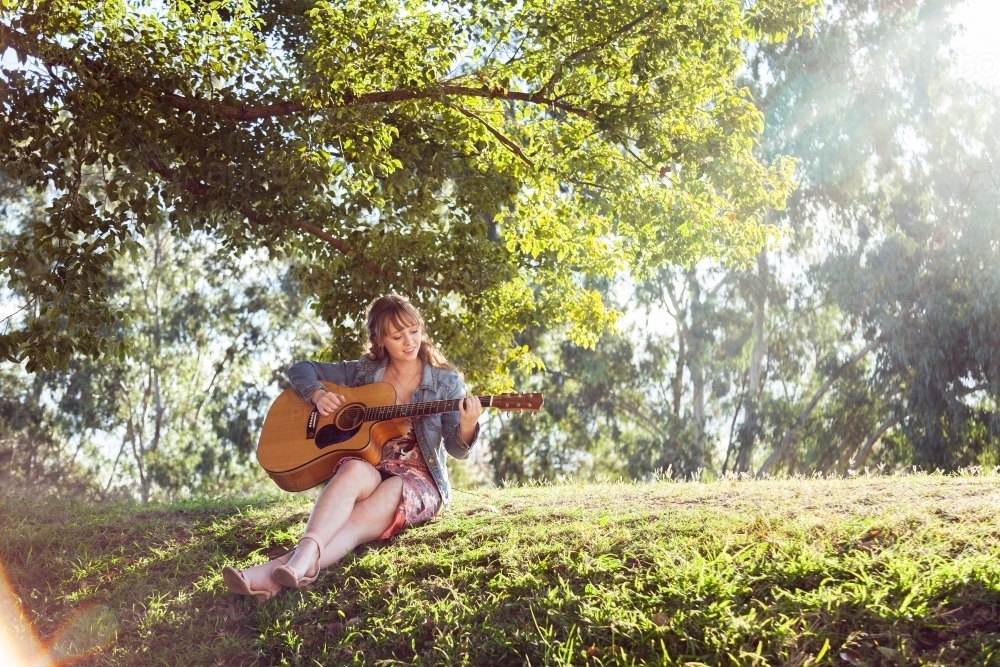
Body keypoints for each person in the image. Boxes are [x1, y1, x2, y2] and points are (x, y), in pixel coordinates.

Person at [222, 294, 482, 601]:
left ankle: (277, 573)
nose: (409, 341)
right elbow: (301, 369)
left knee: (361, 516)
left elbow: (457, 449)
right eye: (397, 336)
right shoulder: (363, 372)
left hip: (419, 479)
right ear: (380, 339)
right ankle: (297, 563)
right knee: (351, 470)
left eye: (414, 331)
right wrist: (317, 395)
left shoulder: (446, 382)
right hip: (373, 467)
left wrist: (468, 425)